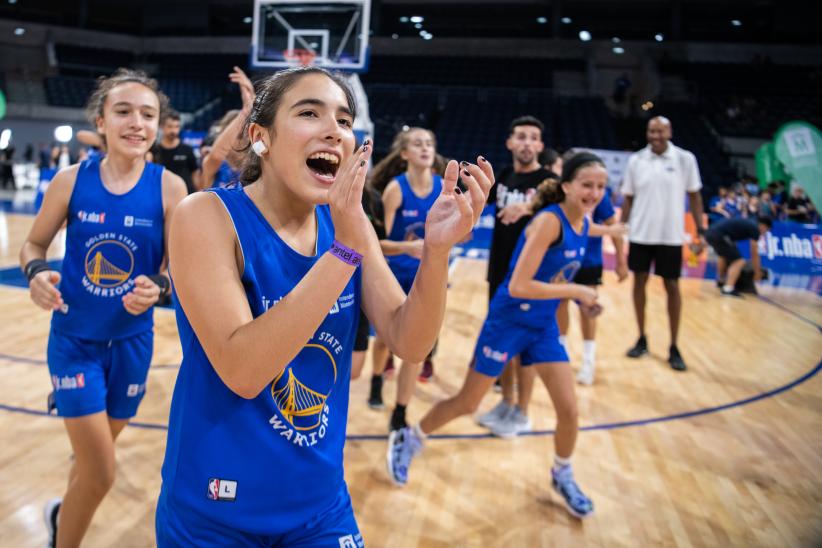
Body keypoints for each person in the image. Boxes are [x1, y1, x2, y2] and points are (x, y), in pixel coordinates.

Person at [155, 66, 493, 545]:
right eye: (309, 113)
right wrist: (346, 252)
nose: (334, 130)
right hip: (216, 509)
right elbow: (243, 370)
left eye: (344, 119)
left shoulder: (346, 225)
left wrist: (436, 254)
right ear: (260, 136)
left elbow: (409, 340)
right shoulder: (207, 215)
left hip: (320, 506)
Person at [387, 152, 611, 520]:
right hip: (508, 320)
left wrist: (582, 300)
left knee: (569, 410)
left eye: (601, 186)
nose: (594, 192)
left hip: (541, 326)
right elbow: (520, 284)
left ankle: (562, 472)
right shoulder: (548, 223)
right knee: (467, 402)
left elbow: (556, 280)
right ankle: (409, 439)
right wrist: (577, 293)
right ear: (568, 185)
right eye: (587, 185)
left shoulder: (584, 223)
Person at [19, 68, 186, 548]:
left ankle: (62, 517)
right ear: (102, 120)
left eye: (148, 114)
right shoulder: (71, 181)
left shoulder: (170, 188)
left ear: (158, 125)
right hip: (74, 343)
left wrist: (158, 285)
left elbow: (178, 270)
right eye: (124, 112)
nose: (137, 122)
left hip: (133, 344)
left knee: (91, 463)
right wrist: (35, 275)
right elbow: (33, 244)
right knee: (100, 475)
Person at [477, 115, 551, 438]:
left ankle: (522, 412)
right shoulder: (504, 177)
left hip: (532, 277)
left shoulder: (549, 182)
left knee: (523, 347)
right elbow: (480, 205)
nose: (526, 143)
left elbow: (558, 206)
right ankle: (506, 403)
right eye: (520, 136)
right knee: (501, 341)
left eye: (532, 137)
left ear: (540, 146)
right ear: (509, 143)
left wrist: (528, 207)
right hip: (500, 271)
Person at [370, 127, 446, 429]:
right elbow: (378, 243)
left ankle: (400, 410)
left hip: (426, 280)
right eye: (418, 144)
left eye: (429, 143)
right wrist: (408, 247)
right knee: (384, 341)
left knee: (416, 351)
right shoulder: (395, 189)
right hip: (394, 274)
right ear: (404, 154)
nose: (426, 148)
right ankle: (376, 379)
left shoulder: (444, 187)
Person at [620, 116, 706, 372]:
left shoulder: (685, 159)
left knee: (672, 286)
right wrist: (621, 228)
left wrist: (700, 232)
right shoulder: (636, 160)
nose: (655, 135)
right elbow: (628, 198)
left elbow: (695, 196)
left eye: (660, 131)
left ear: (669, 132)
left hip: (670, 236)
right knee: (639, 283)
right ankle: (641, 338)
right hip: (640, 234)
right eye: (651, 131)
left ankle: (674, 346)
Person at [557, 184, 628, 386]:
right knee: (560, 305)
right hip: (562, 258)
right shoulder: (562, 192)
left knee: (588, 309)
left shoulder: (601, 196)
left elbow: (614, 229)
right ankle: (561, 356)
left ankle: (588, 361)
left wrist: (621, 261)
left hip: (589, 260)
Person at [199, 67, 255, 190]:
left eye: (247, 135)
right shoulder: (213, 165)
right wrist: (246, 111)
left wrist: (254, 106)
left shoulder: (257, 169)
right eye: (239, 135)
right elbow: (216, 156)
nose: (245, 140)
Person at [705, 216, 771, 297]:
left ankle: (721, 281)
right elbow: (754, 252)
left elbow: (732, 242)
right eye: (766, 230)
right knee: (739, 261)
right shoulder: (755, 228)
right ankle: (728, 288)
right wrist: (757, 272)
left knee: (723, 255)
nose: (764, 233)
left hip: (710, 233)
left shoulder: (748, 223)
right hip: (720, 235)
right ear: (763, 226)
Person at [152, 109, 200, 194]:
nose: (173, 130)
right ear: (162, 127)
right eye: (170, 126)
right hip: (163, 195)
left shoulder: (187, 149)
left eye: (176, 126)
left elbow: (195, 173)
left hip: (186, 195)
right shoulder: (155, 151)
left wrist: (198, 192)